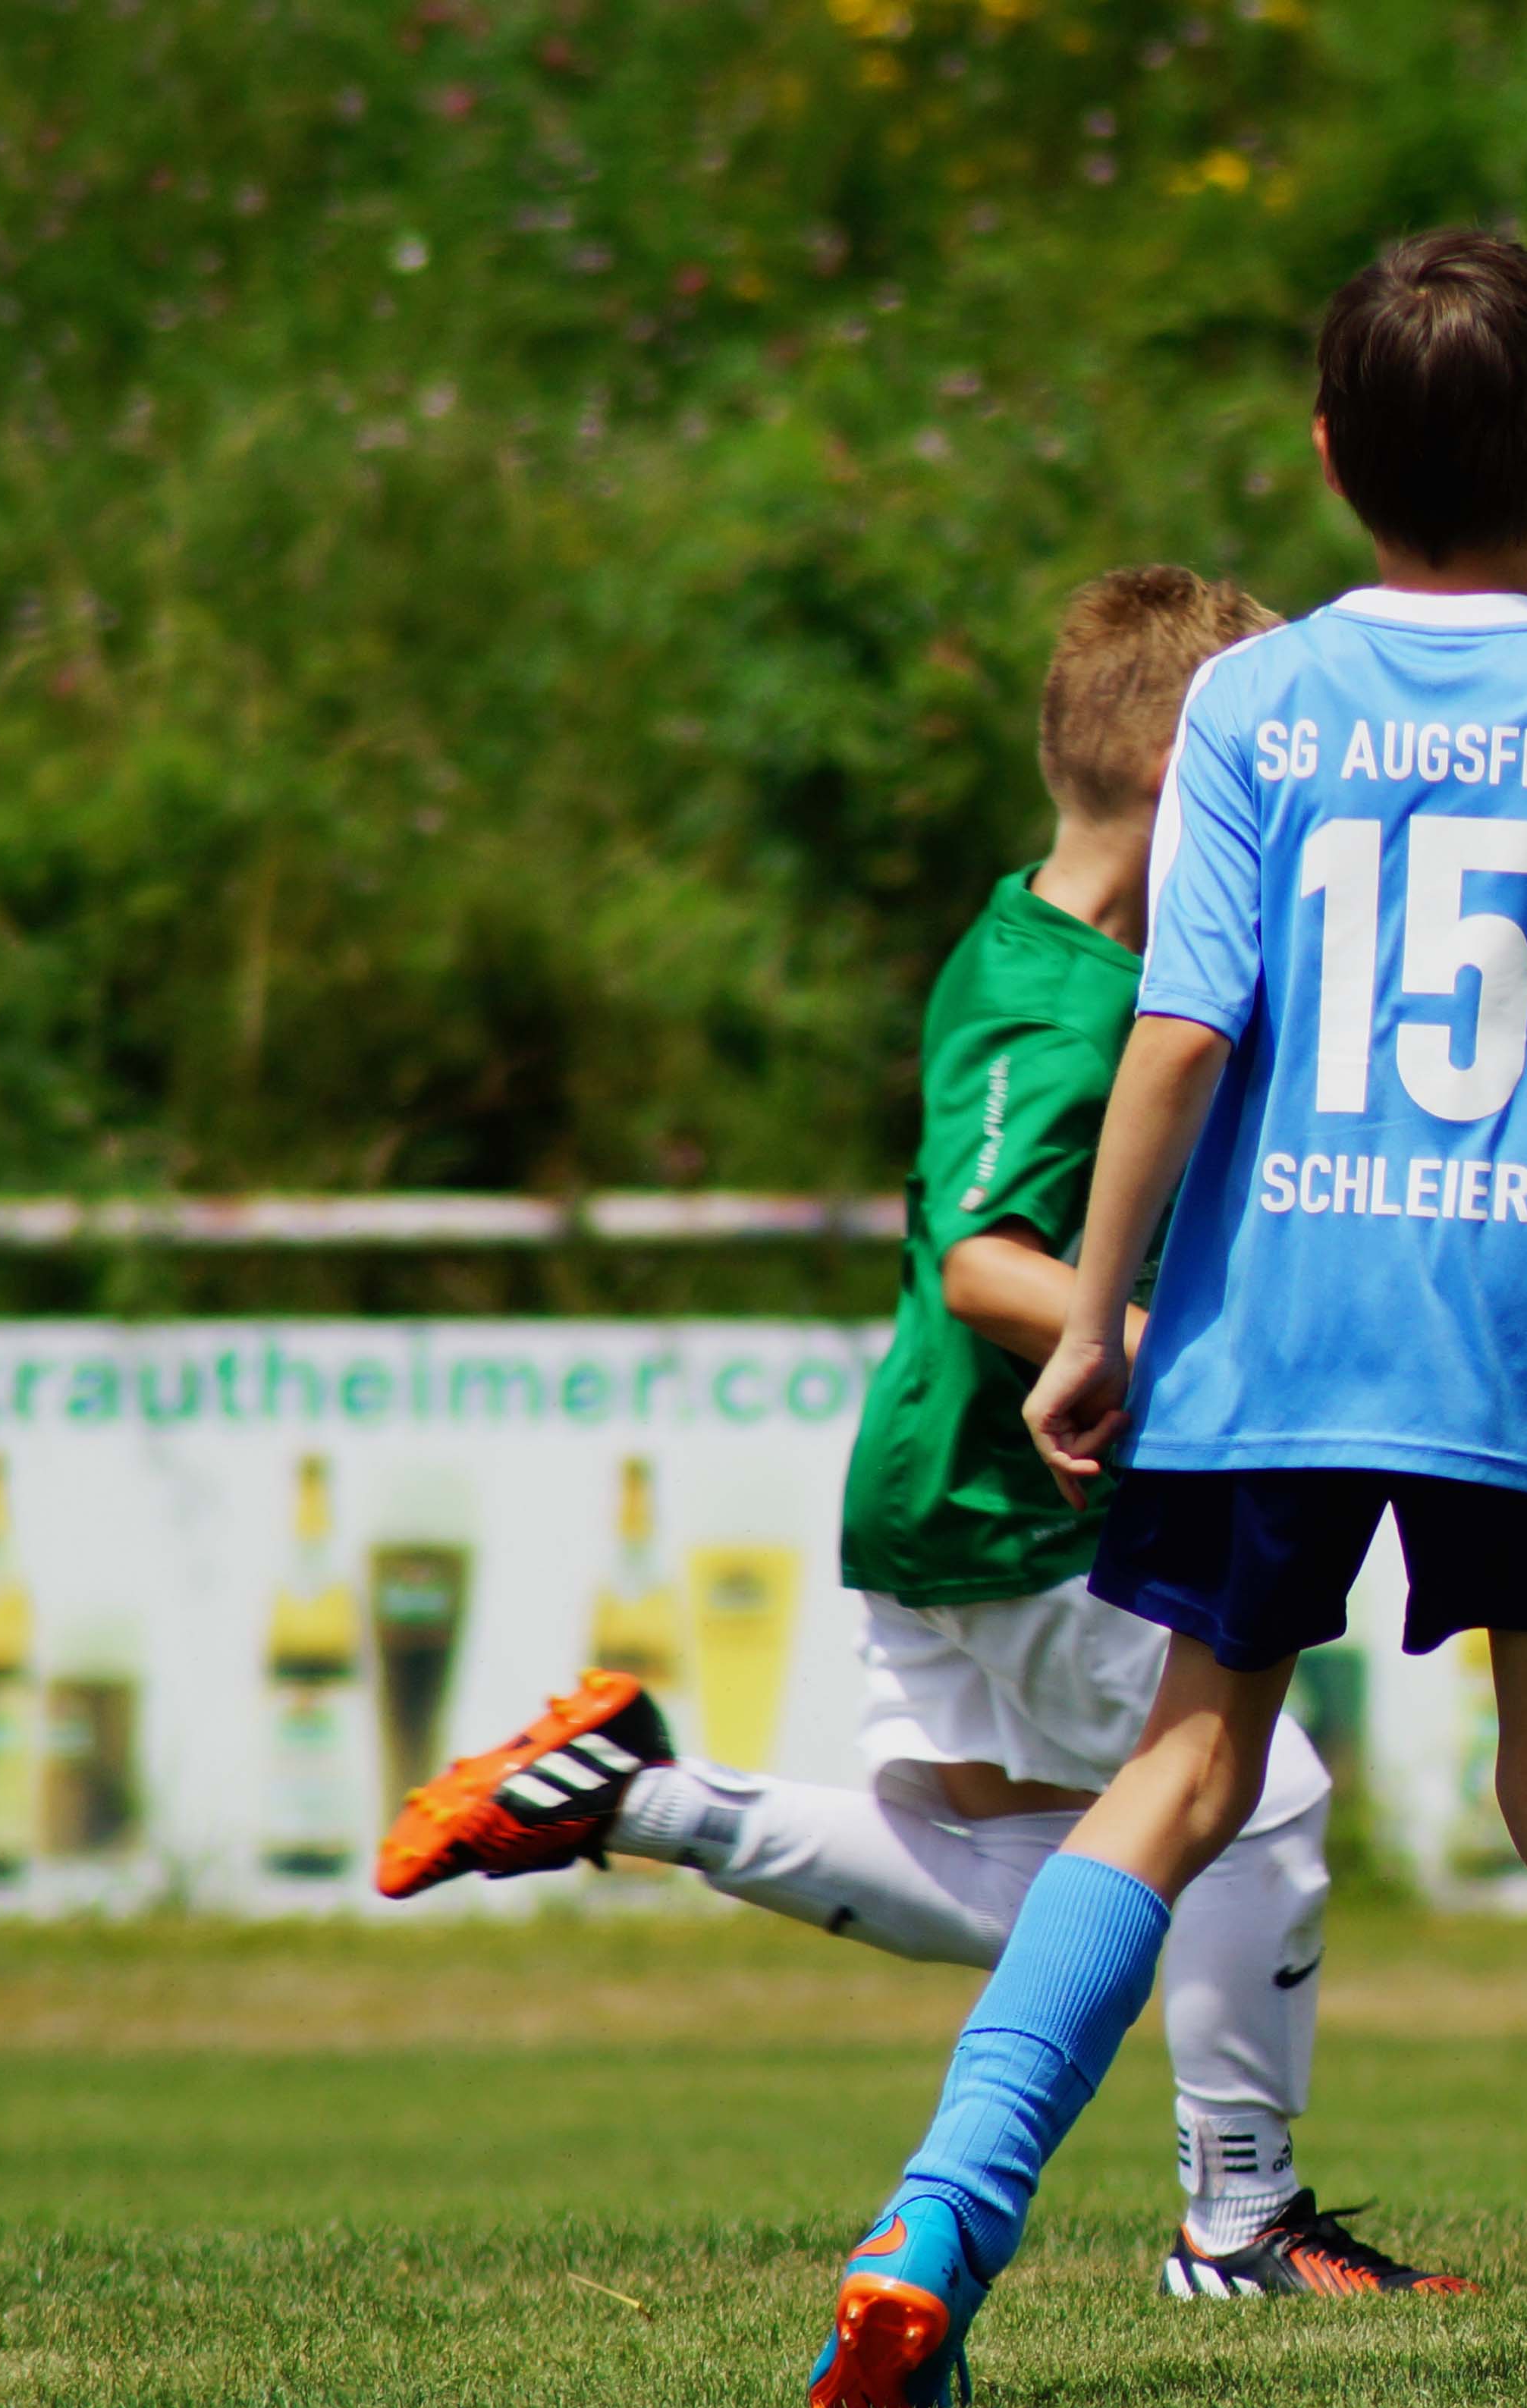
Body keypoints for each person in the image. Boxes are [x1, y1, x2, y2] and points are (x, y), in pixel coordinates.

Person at [801, 228, 1527, 2408]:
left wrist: (1097, 1313)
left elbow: (1181, 1032)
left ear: (1332, 454)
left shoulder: (1254, 709)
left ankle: (933, 2224)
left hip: (1272, 1328)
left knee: (1183, 1765)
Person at [376, 567, 1467, 2303]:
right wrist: (1182, 1362)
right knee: (1250, 1797)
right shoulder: (1068, 1002)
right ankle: (1241, 2220)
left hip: (934, 1491)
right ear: (1189, 772)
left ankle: (633, 1790)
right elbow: (982, 1261)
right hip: (1022, 1502)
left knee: (1041, 1875)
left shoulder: (1032, 936)